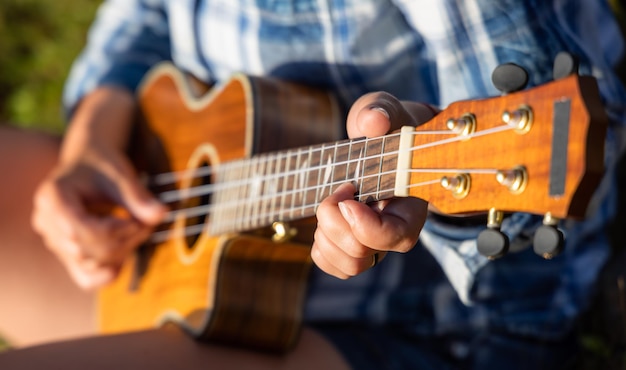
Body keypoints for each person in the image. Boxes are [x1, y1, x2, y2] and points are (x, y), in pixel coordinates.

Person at [1, 0, 625, 369]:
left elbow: (557, 124)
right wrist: (93, 130)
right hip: (172, 205)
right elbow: (145, 14)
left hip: (422, 326)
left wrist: (417, 166)